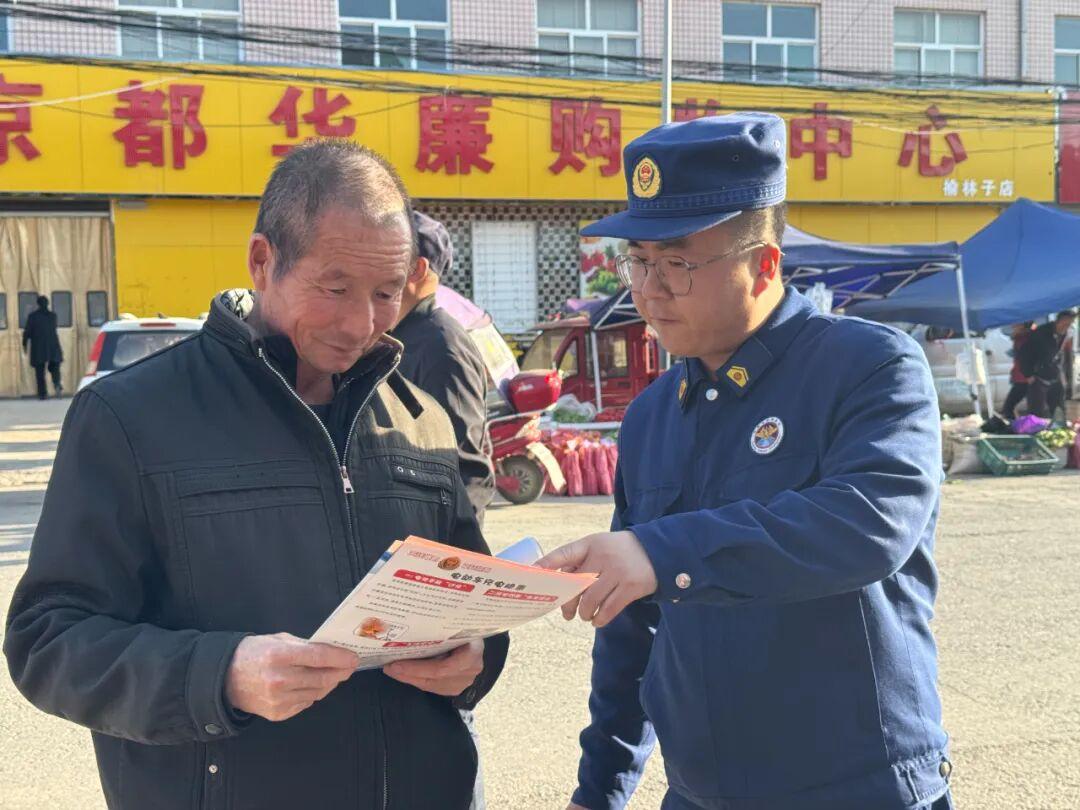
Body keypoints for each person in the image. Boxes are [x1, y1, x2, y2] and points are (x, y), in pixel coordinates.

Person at [5, 140, 508, 810]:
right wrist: (220, 677)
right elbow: (49, 640)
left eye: (386, 293)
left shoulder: (421, 420)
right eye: (335, 288)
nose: (361, 323)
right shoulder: (130, 417)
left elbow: (472, 603)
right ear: (263, 261)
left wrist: (476, 657)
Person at [538, 114, 953, 810]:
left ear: (763, 264)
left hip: (858, 788)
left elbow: (869, 525)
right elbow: (631, 629)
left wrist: (660, 552)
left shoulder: (869, 366)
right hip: (701, 793)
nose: (649, 289)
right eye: (638, 261)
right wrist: (599, 787)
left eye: (677, 264)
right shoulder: (652, 415)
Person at [390, 211, 495, 523]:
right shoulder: (397, 337)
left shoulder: (442, 347)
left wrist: (444, 549)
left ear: (416, 269)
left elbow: (466, 471)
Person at [1018, 310, 1076, 419]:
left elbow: (1065, 357)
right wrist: (1028, 374)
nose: (1066, 327)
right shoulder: (1040, 333)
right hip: (1039, 377)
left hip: (1056, 376)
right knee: (1036, 414)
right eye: (1065, 323)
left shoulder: (1066, 334)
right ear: (1058, 321)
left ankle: (1058, 428)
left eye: (1069, 324)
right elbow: (1023, 354)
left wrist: (1066, 378)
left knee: (1059, 412)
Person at [22, 295, 64, 400]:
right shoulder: (53, 316)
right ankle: (57, 384)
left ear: (38, 304)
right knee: (54, 368)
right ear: (47, 304)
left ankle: (42, 394)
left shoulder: (33, 316)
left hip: (38, 347)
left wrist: (24, 344)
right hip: (53, 346)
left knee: (40, 372)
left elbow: (27, 332)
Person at [1001, 321, 1035, 421]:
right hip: (1021, 376)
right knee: (1011, 407)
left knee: (1008, 407)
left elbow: (1024, 359)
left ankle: (1015, 426)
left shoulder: (1025, 338)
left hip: (1024, 378)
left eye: (1016, 324)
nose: (1012, 326)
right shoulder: (1021, 337)